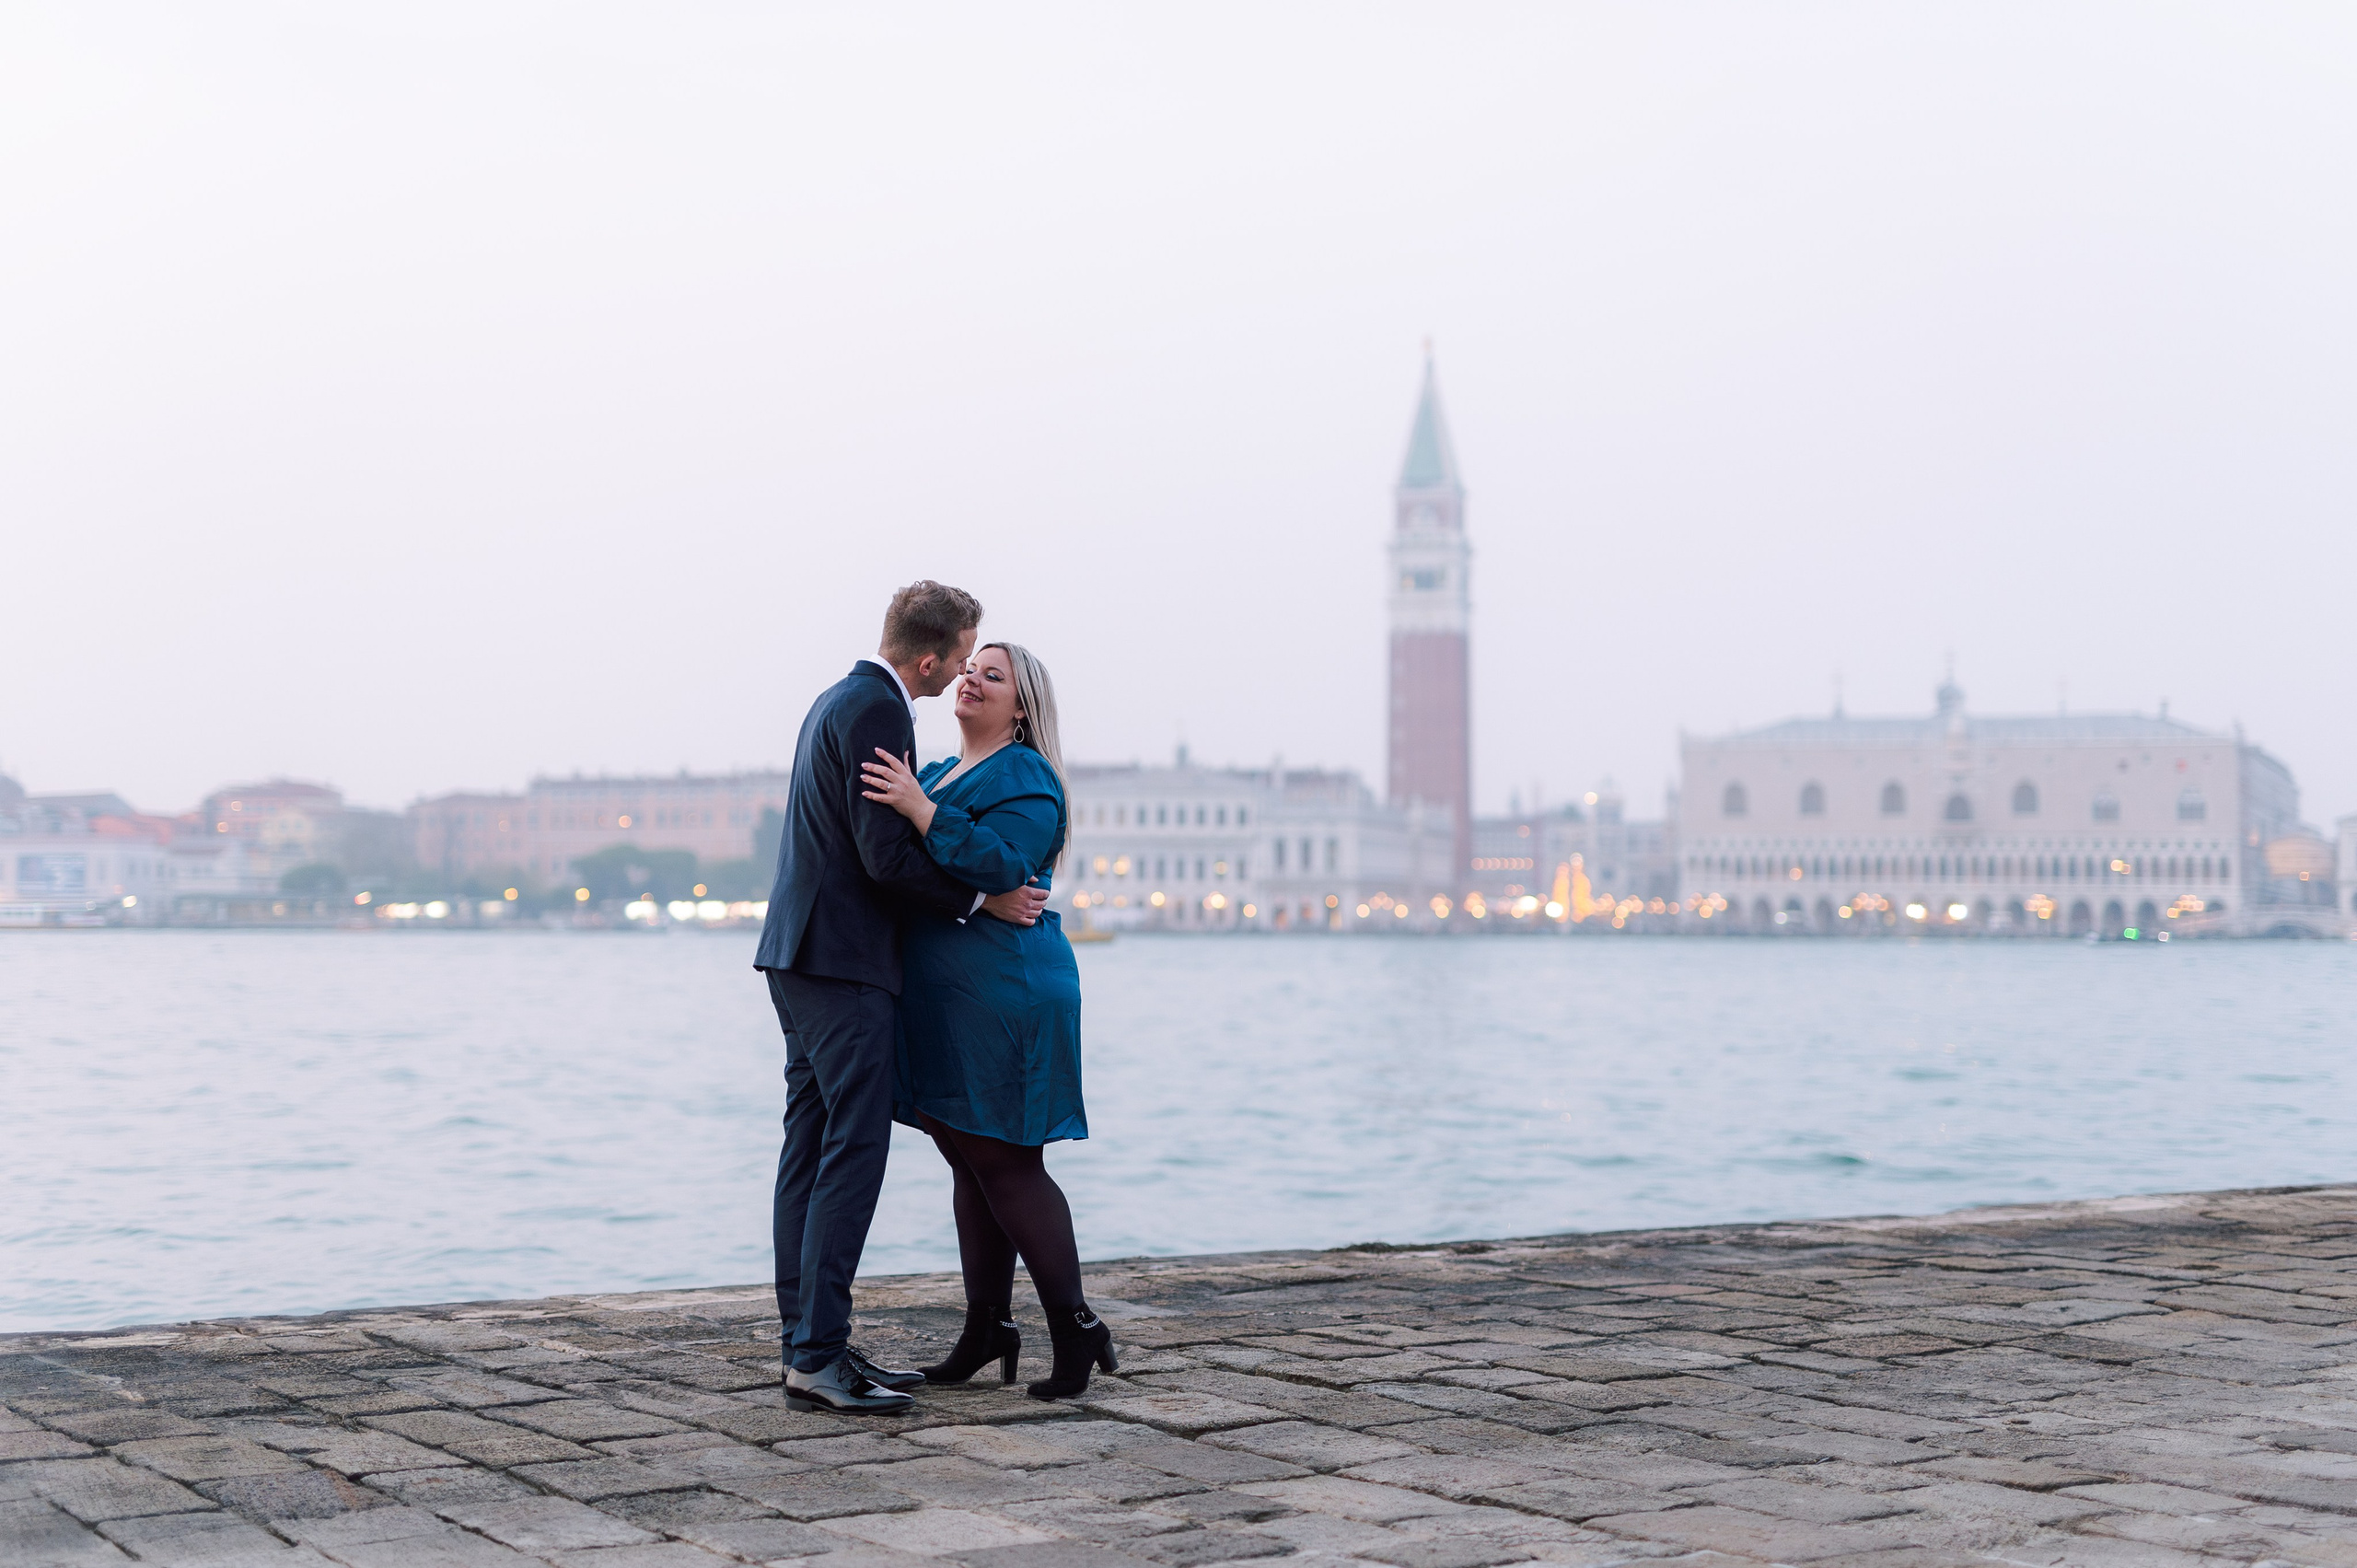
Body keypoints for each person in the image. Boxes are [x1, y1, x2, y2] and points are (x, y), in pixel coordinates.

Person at [752, 582, 1049, 1415]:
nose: (960, 673)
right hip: (844, 964)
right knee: (850, 1150)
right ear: (930, 657)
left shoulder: (833, 700)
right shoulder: (881, 714)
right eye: (960, 656)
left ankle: (807, 1343)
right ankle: (817, 1354)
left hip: (801, 955)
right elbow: (883, 856)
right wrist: (977, 901)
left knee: (808, 1150)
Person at [859, 641, 1114, 1400]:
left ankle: (1076, 1325)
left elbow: (1006, 862)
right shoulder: (939, 772)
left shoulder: (1027, 776)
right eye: (973, 669)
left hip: (1006, 990)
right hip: (948, 994)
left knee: (1007, 1162)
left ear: (1022, 706)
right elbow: (925, 871)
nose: (972, 678)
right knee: (968, 1160)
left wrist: (919, 810)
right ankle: (987, 1326)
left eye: (991, 675)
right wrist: (927, 816)